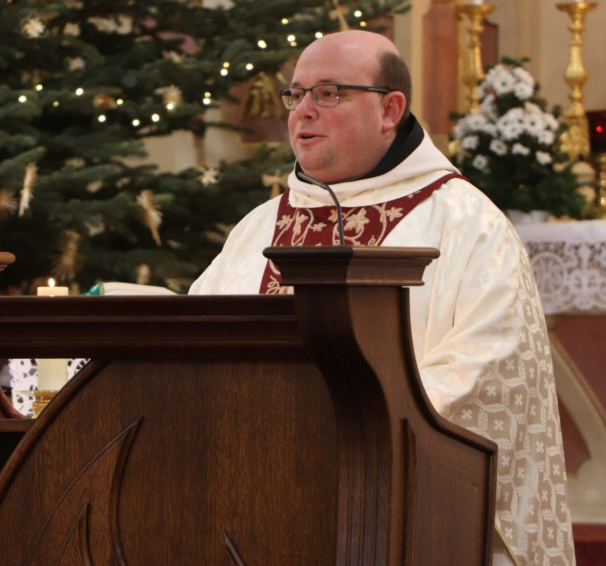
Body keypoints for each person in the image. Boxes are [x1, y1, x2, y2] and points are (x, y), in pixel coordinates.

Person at [189, 30, 575, 566]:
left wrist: (329, 431)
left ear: (390, 109)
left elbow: (485, 376)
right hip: (251, 505)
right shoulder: (258, 227)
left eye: (329, 93)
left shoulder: (467, 225)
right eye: (295, 94)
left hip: (401, 518)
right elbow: (196, 342)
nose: (303, 111)